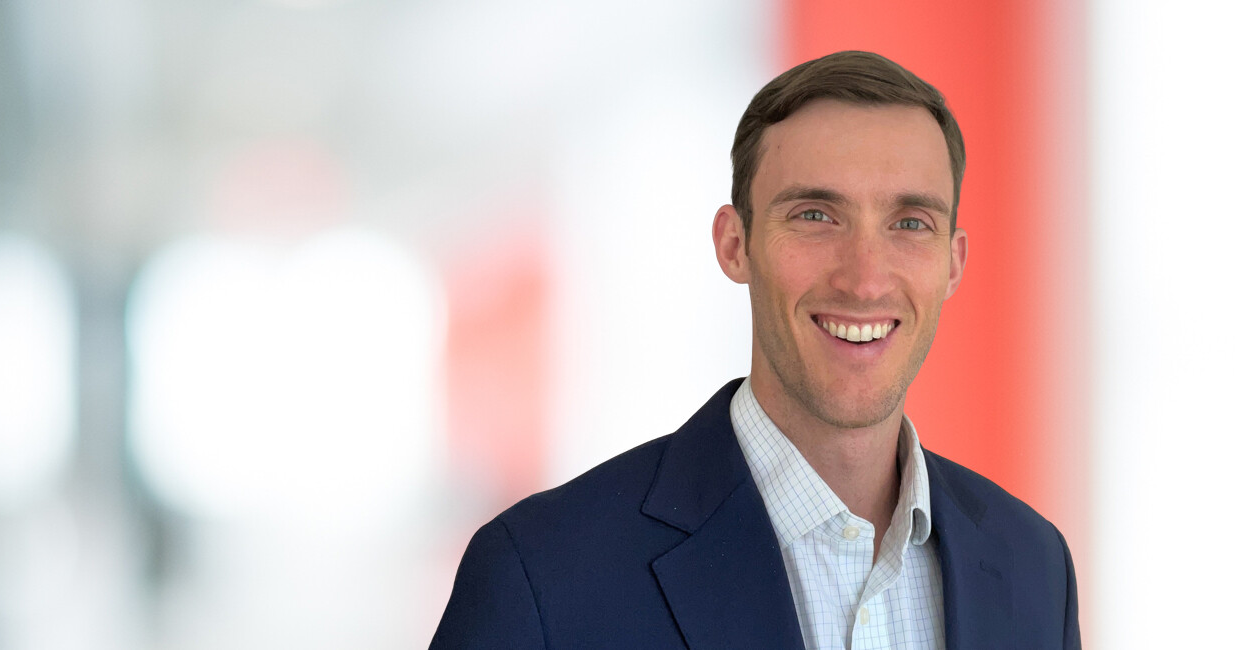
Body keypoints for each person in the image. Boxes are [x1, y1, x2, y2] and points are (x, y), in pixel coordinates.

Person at [430, 50, 1080, 650]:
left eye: (910, 224)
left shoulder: (1033, 566)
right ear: (734, 244)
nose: (864, 277)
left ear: (953, 263)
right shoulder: (541, 575)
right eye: (815, 216)